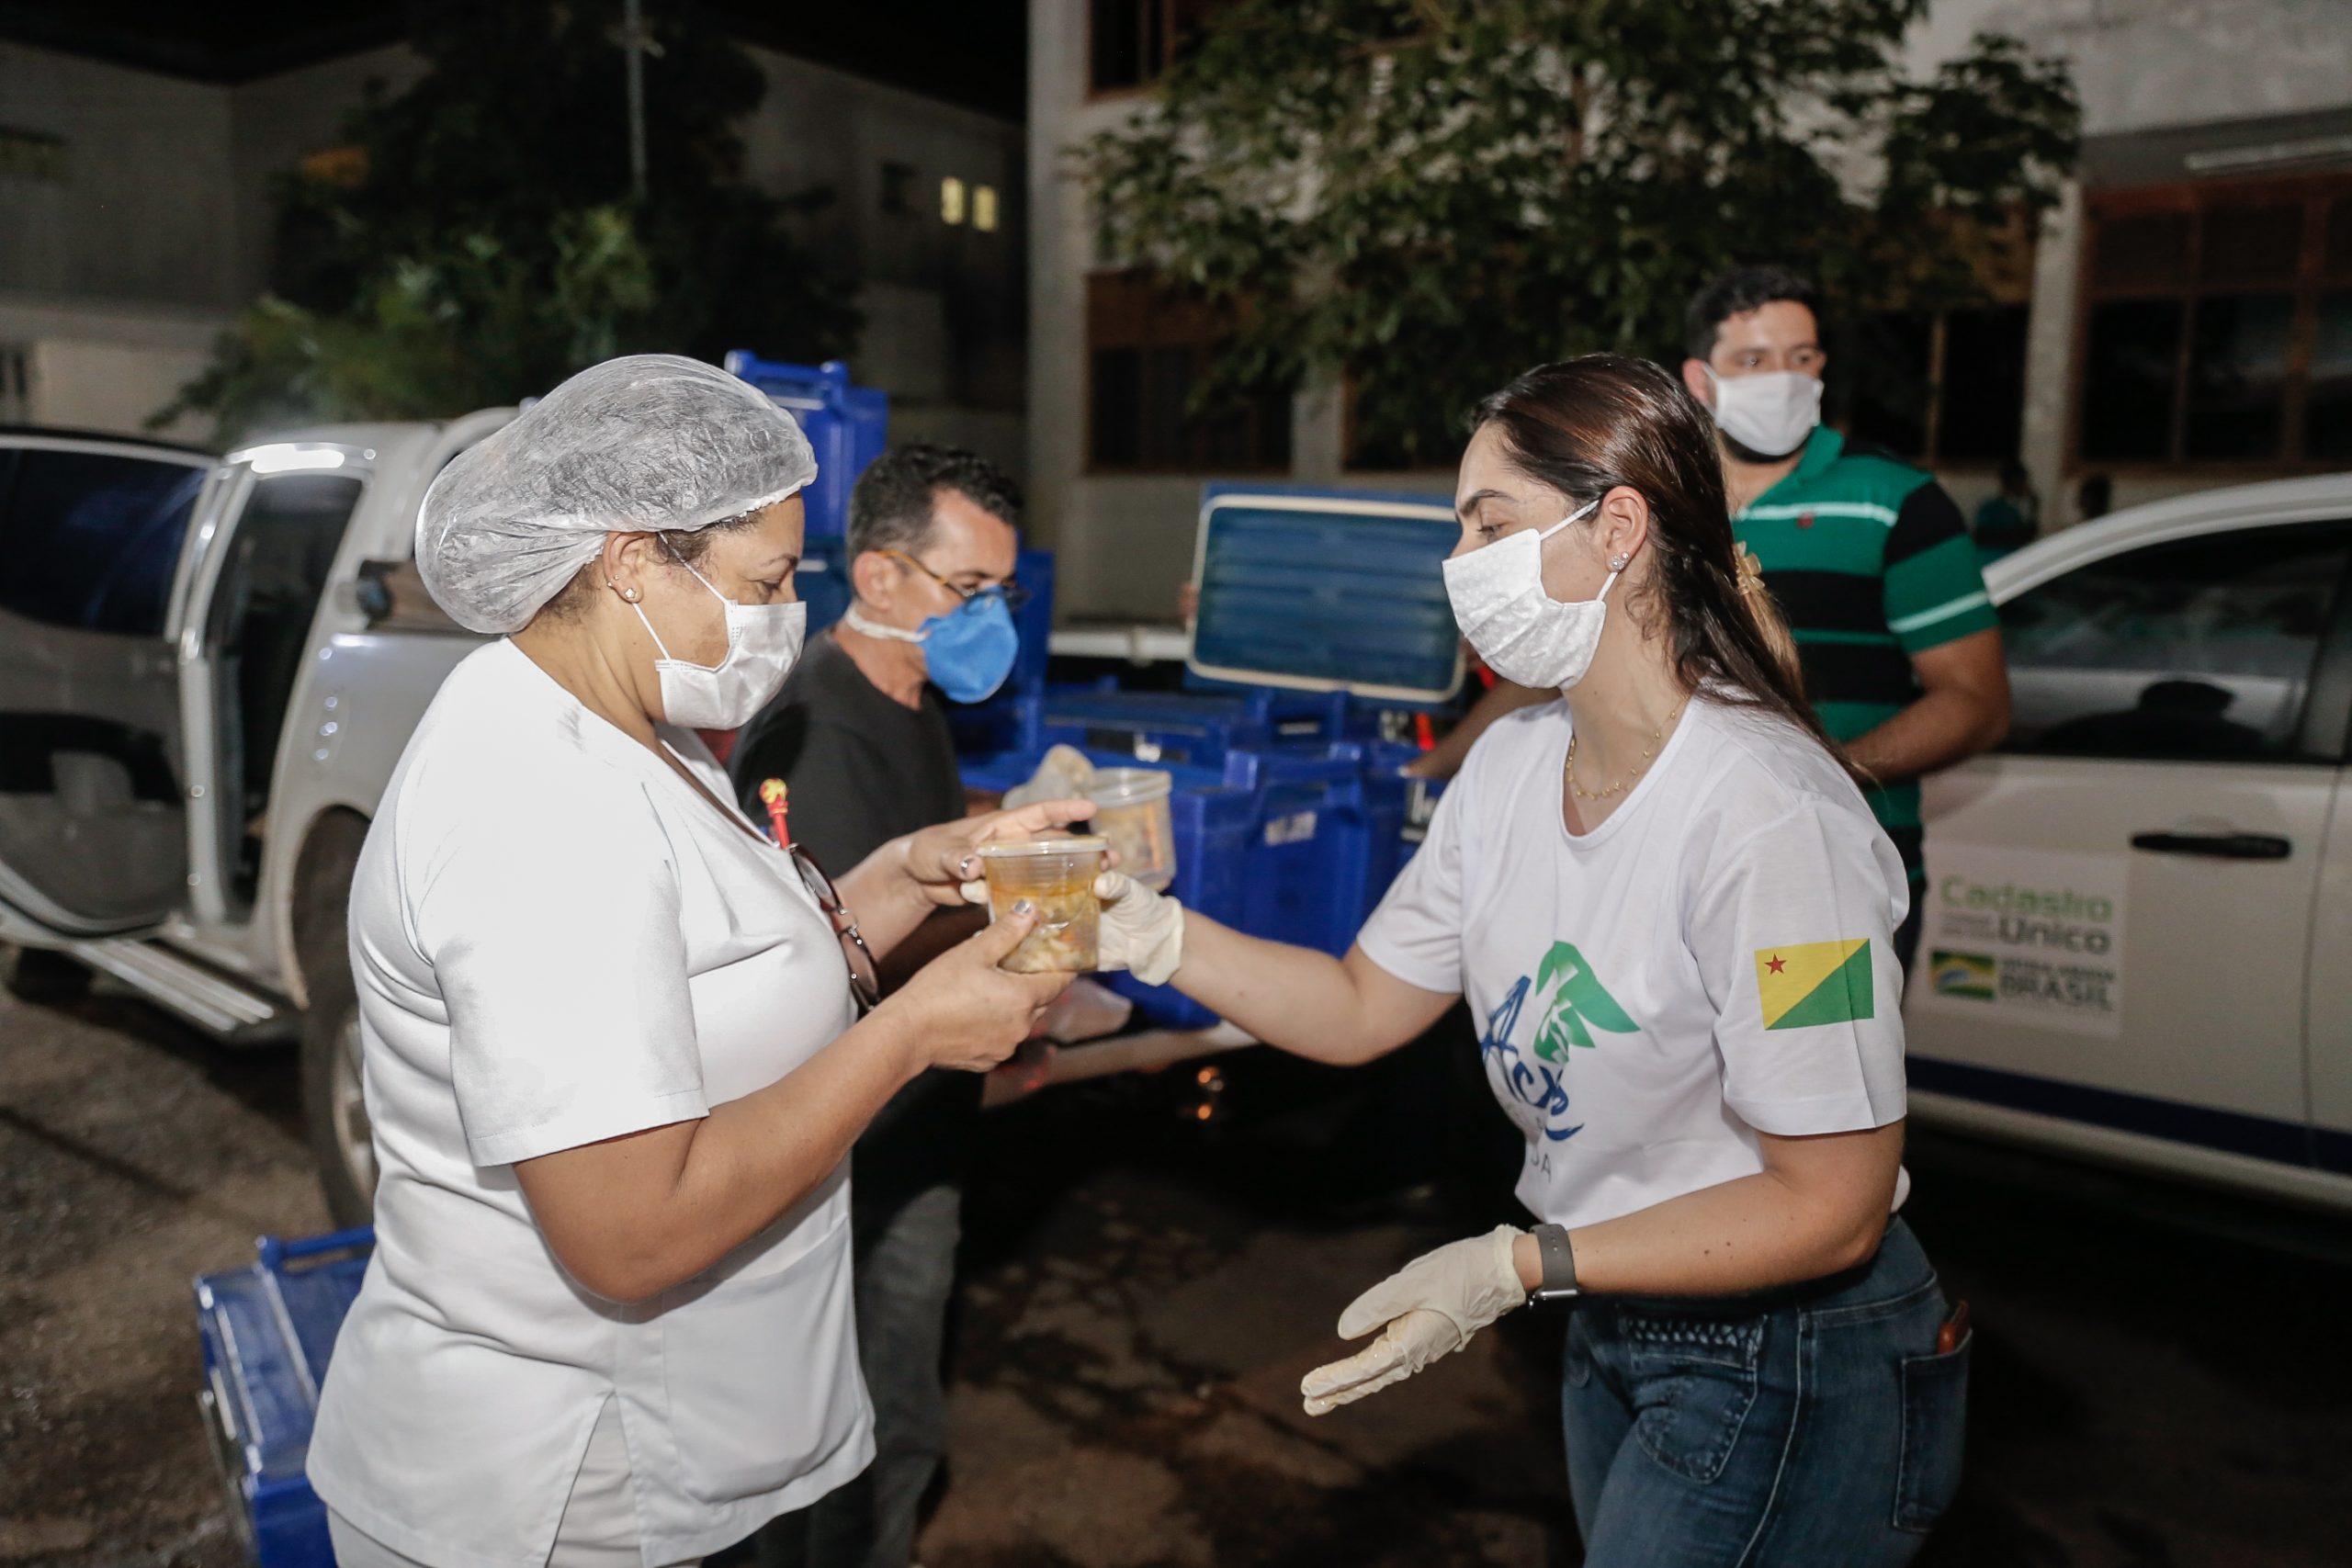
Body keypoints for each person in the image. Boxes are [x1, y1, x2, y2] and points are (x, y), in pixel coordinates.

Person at [1000, 355, 1970, 1566]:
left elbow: (1832, 1204)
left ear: (1618, 526)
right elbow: (1359, 1004)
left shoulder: (1774, 818)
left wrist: (1524, 1259)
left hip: (1792, 1350)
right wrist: (1148, 928)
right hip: (1619, 1313)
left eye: (1489, 522)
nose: (1460, 561)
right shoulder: (1511, 765)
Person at [305, 356, 1087, 1568]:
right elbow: (630, 1230)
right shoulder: (535, 805)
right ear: (630, 558)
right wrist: (915, 1030)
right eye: (766, 579)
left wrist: (905, 873)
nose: (784, 611)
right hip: (565, 1491)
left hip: (668, 1457)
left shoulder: (636, 733)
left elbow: (725, 970)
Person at [728, 445, 1027, 1568]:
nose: (991, 618)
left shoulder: (914, 704)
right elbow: (837, 952)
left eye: (1005, 592)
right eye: (970, 592)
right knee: (836, 1436)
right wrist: (1030, 911)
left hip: (921, 1129)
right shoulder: (815, 725)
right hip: (844, 1154)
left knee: (896, 1413)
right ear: (880, 578)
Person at [1679, 265, 2009, 976]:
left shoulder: (1896, 500)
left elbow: (1975, 702)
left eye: (1801, 358)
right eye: (1754, 361)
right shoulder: (1665, 503)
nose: (1783, 379)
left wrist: (1823, 775)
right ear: (1700, 380)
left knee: (1820, 1087)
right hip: (1675, 879)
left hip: (1831, 888)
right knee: (1673, 1088)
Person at [1972, 457, 2039, 564]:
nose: (2024, 486)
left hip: (2010, 564)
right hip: (1991, 562)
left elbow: (2028, 535)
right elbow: (1980, 536)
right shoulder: (1990, 508)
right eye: (2021, 482)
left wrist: (2033, 509)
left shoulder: (2015, 511)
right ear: (2010, 482)